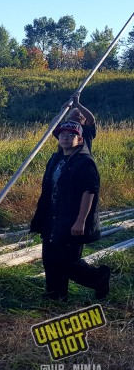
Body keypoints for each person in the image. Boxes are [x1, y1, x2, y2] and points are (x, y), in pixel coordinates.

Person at [30, 120, 110, 301]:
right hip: (52, 216)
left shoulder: (85, 162)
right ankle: (56, 295)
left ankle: (100, 278)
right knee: (49, 259)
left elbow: (89, 191)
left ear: (80, 140)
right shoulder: (56, 159)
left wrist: (81, 221)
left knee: (68, 262)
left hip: (72, 218)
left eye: (71, 135)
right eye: (62, 135)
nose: (65, 138)